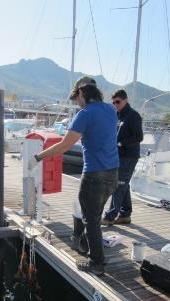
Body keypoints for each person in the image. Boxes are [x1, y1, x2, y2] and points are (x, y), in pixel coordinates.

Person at [28, 76, 119, 276]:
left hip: (94, 174)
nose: (77, 102)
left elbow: (64, 145)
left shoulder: (84, 114)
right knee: (94, 216)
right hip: (113, 173)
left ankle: (97, 263)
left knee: (91, 220)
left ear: (81, 93)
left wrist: (38, 156)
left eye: (76, 98)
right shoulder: (111, 110)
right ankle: (89, 247)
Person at [102, 89, 143, 225]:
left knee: (118, 185)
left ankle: (109, 217)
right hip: (118, 156)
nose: (115, 104)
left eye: (117, 102)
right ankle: (125, 214)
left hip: (129, 156)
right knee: (122, 184)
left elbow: (138, 137)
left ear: (125, 100)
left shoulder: (133, 116)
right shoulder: (118, 116)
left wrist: (120, 143)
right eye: (113, 102)